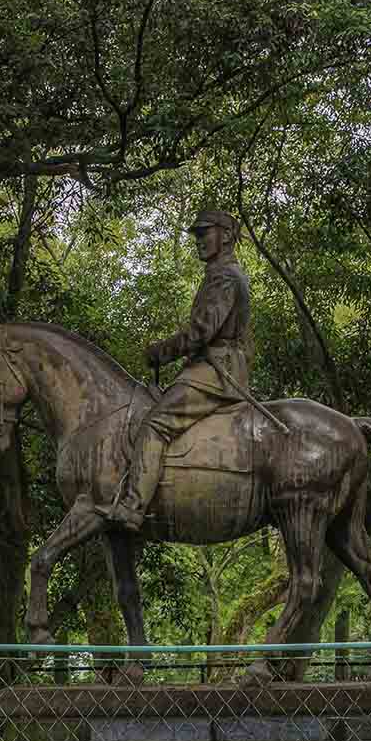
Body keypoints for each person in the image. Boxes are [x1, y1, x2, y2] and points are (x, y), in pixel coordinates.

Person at [100, 208, 254, 529]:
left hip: (216, 373)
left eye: (204, 233)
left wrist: (160, 352)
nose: (198, 241)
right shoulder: (221, 274)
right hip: (215, 367)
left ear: (225, 236)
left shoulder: (224, 276)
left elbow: (201, 332)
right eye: (196, 235)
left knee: (155, 423)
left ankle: (133, 505)